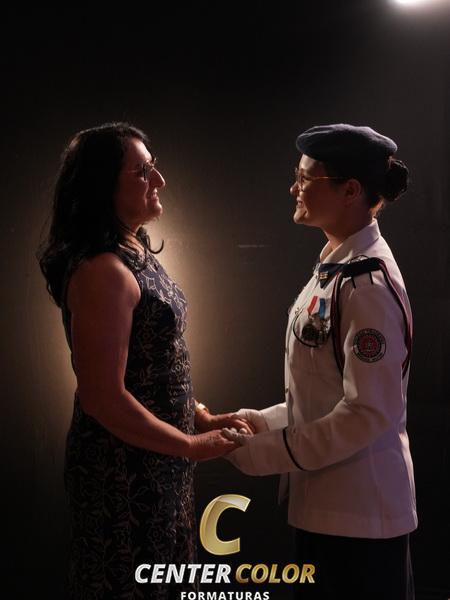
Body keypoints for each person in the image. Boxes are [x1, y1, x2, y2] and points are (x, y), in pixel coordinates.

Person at [37, 122, 251, 599]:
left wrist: (198, 417)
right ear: (103, 187)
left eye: (154, 168)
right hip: (123, 471)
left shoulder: (131, 248)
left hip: (158, 459)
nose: (159, 180)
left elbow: (152, 363)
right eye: (142, 172)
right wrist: (190, 444)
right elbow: (103, 398)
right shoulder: (103, 271)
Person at [224, 124, 417, 599]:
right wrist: (258, 424)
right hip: (328, 510)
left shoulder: (367, 285)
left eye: (306, 178)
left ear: (350, 190)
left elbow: (367, 412)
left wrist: (266, 452)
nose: (295, 188)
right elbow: (321, 392)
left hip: (359, 519)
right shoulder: (337, 268)